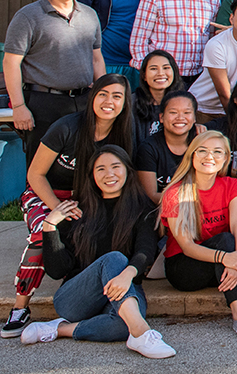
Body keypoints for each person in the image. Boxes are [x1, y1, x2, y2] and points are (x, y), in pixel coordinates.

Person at [2, 74, 136, 339]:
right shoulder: (67, 127)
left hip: (87, 196)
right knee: (43, 232)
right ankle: (20, 306)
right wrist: (57, 208)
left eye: (117, 96)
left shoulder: (124, 132)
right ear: (92, 97)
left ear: (124, 103)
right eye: (103, 94)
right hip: (46, 193)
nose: (109, 101)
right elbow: (35, 175)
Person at [20, 145, 174, 358]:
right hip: (76, 299)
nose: (109, 174)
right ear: (92, 176)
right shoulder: (76, 210)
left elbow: (145, 251)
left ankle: (57, 329)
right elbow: (57, 271)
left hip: (123, 287)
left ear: (128, 170)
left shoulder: (142, 208)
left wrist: (127, 274)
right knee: (114, 258)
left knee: (122, 326)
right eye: (100, 169)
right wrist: (50, 227)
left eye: (115, 167)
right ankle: (142, 332)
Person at [161, 131, 237, 338]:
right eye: (203, 151)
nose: (210, 157)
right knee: (225, 242)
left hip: (221, 262)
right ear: (192, 155)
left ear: (226, 158)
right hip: (184, 267)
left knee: (231, 239)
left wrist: (236, 265)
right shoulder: (175, 193)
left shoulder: (232, 185)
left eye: (218, 152)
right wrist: (227, 259)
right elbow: (187, 246)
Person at [4, 0, 106, 163]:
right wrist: (18, 106)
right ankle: (37, 197)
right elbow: (11, 63)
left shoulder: (89, 15)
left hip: (83, 100)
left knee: (83, 160)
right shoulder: (27, 17)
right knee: (42, 165)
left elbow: (96, 58)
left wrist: (102, 94)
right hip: (43, 103)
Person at [136, 92, 198, 203]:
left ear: (194, 118)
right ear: (161, 117)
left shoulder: (201, 144)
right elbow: (151, 195)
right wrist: (187, 202)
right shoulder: (148, 148)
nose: (180, 118)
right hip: (160, 212)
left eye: (187, 112)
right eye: (173, 112)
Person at [132, 50, 184, 136]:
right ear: (144, 75)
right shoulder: (132, 102)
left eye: (166, 68)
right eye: (153, 69)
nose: (160, 73)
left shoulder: (183, 102)